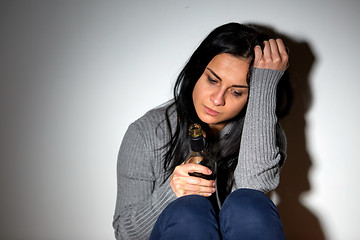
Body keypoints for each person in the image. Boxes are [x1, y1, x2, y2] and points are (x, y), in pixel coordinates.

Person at [113, 22, 290, 240]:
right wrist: (171, 193)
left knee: (248, 203)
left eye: (236, 92)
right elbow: (124, 234)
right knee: (189, 211)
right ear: (197, 69)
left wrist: (264, 84)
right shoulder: (148, 132)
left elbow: (253, 188)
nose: (217, 99)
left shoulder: (263, 134)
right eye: (212, 80)